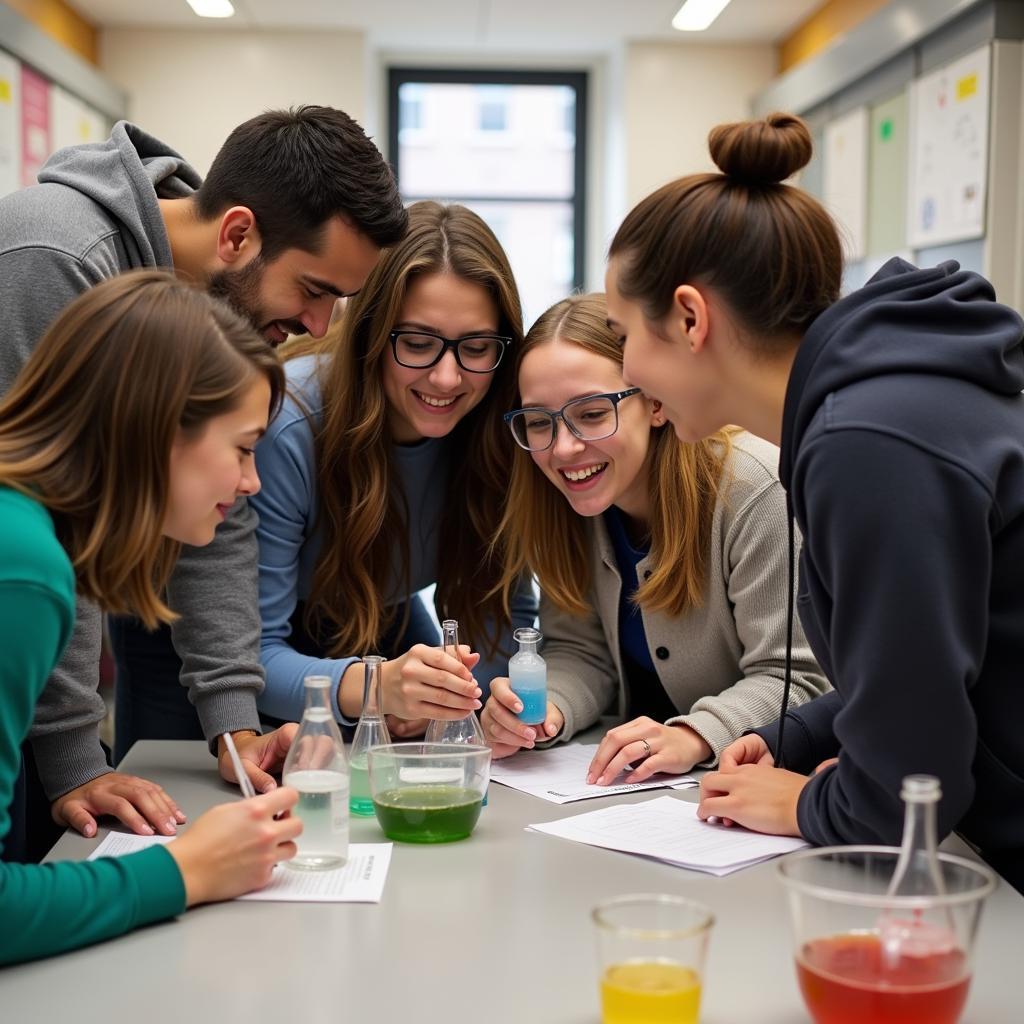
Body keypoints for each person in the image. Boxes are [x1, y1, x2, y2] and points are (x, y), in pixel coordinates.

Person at [605, 112, 1024, 892]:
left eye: (621, 331)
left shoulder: (867, 443)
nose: (625, 367)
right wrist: (791, 738)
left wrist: (807, 805)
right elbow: (929, 668)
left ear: (692, 319)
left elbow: (909, 794)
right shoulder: (879, 405)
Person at [0, 105, 406, 854]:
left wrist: (234, 726)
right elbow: (52, 517)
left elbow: (219, 520)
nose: (321, 327)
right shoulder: (54, 254)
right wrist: (74, 760)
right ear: (237, 235)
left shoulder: (216, 304)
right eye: (313, 290)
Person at [0, 271, 302, 965]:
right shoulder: (23, 572)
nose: (251, 482)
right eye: (243, 447)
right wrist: (186, 870)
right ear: (159, 429)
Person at [480, 293, 826, 781]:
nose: (563, 447)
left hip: (756, 788)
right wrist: (541, 710)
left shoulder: (757, 491)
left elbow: (798, 680)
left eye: (593, 413)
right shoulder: (568, 506)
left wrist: (695, 734)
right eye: (539, 422)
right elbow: (581, 652)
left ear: (655, 402)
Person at [252, 201, 537, 729]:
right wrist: (380, 689)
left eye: (476, 347)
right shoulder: (287, 427)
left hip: (379, 620)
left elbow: (504, 624)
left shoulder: (503, 434)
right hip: (260, 653)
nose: (447, 379)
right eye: (417, 343)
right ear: (371, 334)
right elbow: (252, 659)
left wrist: (496, 714)